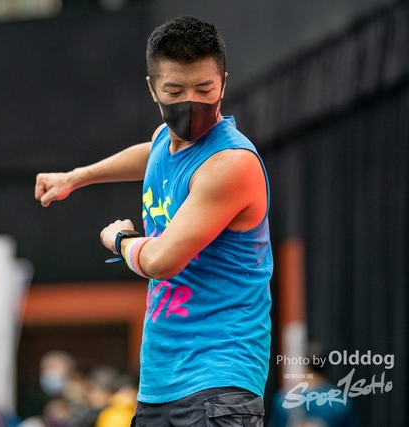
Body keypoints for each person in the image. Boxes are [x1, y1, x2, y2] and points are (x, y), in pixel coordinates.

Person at [35, 16, 272, 426]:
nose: (191, 103)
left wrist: (120, 239)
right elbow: (152, 152)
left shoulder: (231, 163)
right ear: (152, 89)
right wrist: (76, 177)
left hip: (218, 380)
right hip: (160, 383)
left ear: (223, 83)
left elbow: (162, 261)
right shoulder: (166, 138)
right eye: (175, 91)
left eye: (205, 89)